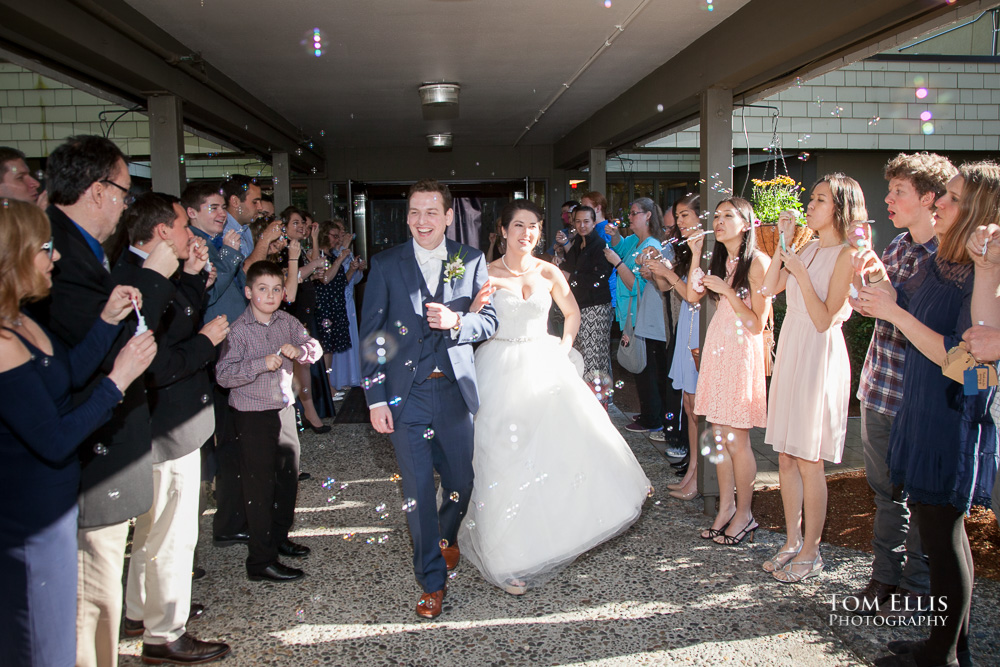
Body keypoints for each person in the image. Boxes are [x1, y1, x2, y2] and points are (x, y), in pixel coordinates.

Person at [27, 135, 179, 667]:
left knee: (102, 581)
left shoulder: (86, 249)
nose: (125, 203)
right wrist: (154, 279)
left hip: (108, 433)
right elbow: (89, 356)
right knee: (93, 588)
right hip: (91, 443)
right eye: (123, 190)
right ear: (98, 190)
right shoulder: (57, 254)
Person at [458, 199, 651, 595]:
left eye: (533, 226)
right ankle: (505, 557)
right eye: (518, 226)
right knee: (502, 458)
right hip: (498, 364)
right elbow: (470, 324)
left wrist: (563, 348)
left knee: (552, 452)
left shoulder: (548, 271)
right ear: (503, 231)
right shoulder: (485, 274)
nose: (526, 233)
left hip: (543, 361)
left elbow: (573, 312)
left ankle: (551, 536)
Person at [0, 199, 155, 667]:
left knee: (57, 637)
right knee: (41, 644)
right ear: (13, 257)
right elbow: (53, 437)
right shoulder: (3, 342)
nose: (57, 257)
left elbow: (66, 379)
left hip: (56, 505)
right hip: (30, 518)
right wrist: (118, 382)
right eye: (45, 248)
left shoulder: (24, 321)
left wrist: (108, 322)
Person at [856, 163, 999, 667]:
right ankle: (951, 645)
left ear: (978, 211)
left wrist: (894, 311)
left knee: (943, 537)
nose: (940, 204)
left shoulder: (982, 277)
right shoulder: (944, 262)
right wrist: (883, 295)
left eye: (952, 199)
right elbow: (905, 305)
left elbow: (965, 363)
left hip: (950, 418)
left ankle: (939, 655)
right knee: (943, 536)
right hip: (920, 407)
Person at [359, 179, 498, 618]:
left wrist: (459, 321)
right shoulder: (384, 265)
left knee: (461, 482)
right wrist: (375, 399)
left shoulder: (470, 260)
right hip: (406, 396)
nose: (423, 221)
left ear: (448, 216)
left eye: (431, 212)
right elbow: (372, 338)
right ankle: (432, 583)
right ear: (406, 216)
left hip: (454, 392)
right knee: (417, 491)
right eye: (415, 212)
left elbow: (489, 322)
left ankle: (447, 534)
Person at [116, 193, 232, 664]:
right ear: (162, 231)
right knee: (172, 532)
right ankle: (166, 633)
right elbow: (158, 362)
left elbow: (175, 320)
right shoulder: (134, 279)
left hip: (160, 421)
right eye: (185, 225)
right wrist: (207, 343)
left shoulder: (141, 269)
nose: (192, 234)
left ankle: (140, 610)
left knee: (150, 530)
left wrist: (190, 281)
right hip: (166, 421)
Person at [847, 153, 954, 616]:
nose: (887, 199)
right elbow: (871, 308)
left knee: (924, 495)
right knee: (886, 491)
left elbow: (937, 332)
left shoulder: (952, 260)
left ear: (929, 198)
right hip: (881, 387)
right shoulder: (895, 248)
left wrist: (891, 300)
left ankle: (918, 583)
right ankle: (883, 578)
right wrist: (862, 281)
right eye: (889, 191)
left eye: (898, 192)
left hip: (924, 398)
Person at [762, 174, 863, 582]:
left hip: (819, 353)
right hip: (792, 347)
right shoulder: (808, 246)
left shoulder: (847, 254)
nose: (809, 206)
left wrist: (801, 272)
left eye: (819, 200)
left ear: (839, 208)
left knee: (809, 458)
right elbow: (769, 287)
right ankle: (790, 540)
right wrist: (784, 245)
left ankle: (812, 550)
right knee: (786, 455)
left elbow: (824, 320)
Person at [215, 260, 322, 582]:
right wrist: (259, 364)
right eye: (263, 289)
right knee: (259, 487)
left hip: (284, 411)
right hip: (251, 416)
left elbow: (314, 348)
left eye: (277, 289)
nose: (271, 295)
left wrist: (300, 350)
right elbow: (224, 376)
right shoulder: (237, 330)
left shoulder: (286, 321)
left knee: (287, 479)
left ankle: (279, 538)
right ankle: (260, 561)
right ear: (249, 292)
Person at [691, 197, 771, 542]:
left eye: (728, 216)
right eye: (717, 216)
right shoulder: (723, 261)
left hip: (740, 354)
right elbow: (693, 296)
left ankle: (745, 513)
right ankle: (725, 509)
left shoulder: (758, 263)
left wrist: (727, 291)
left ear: (747, 223)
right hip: (719, 350)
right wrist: (695, 253)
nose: (719, 221)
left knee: (737, 440)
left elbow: (756, 324)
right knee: (720, 438)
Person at [646, 193, 703, 498]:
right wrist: (658, 271)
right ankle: (692, 470)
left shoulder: (707, 252)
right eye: (678, 217)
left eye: (685, 216)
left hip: (699, 326)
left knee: (696, 406)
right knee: (688, 404)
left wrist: (667, 273)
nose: (679, 223)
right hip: (686, 327)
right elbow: (670, 288)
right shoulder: (684, 248)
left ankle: (697, 474)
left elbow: (693, 294)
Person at [604, 197, 666, 433]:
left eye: (633, 213)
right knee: (641, 365)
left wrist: (617, 263)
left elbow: (636, 286)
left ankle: (653, 418)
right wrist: (615, 234)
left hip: (643, 316)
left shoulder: (652, 247)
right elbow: (620, 246)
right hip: (631, 314)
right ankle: (650, 412)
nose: (629, 217)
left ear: (647, 216)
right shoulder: (634, 240)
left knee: (646, 366)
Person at [279, 206, 334, 432]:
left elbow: (309, 267)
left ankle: (307, 413)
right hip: (291, 310)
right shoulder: (282, 251)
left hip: (304, 310)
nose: (301, 226)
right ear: (284, 226)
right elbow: (292, 278)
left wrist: (312, 241)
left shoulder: (297, 249)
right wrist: (314, 266)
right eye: (296, 223)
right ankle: (307, 415)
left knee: (302, 364)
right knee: (296, 366)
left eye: (303, 222)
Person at [561, 204, 613, 392]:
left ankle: (600, 405)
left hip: (596, 308)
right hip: (579, 307)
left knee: (594, 360)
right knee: (580, 357)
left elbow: (600, 277)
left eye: (586, 221)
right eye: (578, 221)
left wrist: (571, 277)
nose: (582, 225)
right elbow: (568, 267)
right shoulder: (577, 244)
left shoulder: (599, 245)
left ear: (593, 222)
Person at [183, 181, 246, 323]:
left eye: (223, 208)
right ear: (192, 212)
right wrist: (229, 253)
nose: (223, 214)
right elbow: (210, 292)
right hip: (216, 331)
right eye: (214, 208)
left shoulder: (217, 242)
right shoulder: (191, 246)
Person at [316, 218, 363, 393]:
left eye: (339, 235)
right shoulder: (320, 256)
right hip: (325, 304)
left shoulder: (333, 255)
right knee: (327, 347)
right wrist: (341, 258)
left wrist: (353, 268)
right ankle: (329, 385)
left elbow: (341, 281)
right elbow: (325, 279)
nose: (337, 239)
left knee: (334, 345)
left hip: (337, 303)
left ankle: (333, 383)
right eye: (334, 236)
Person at [221, 174, 263, 264]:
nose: (260, 207)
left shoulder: (245, 229)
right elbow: (244, 272)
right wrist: (265, 240)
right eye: (255, 202)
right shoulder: (223, 230)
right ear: (235, 201)